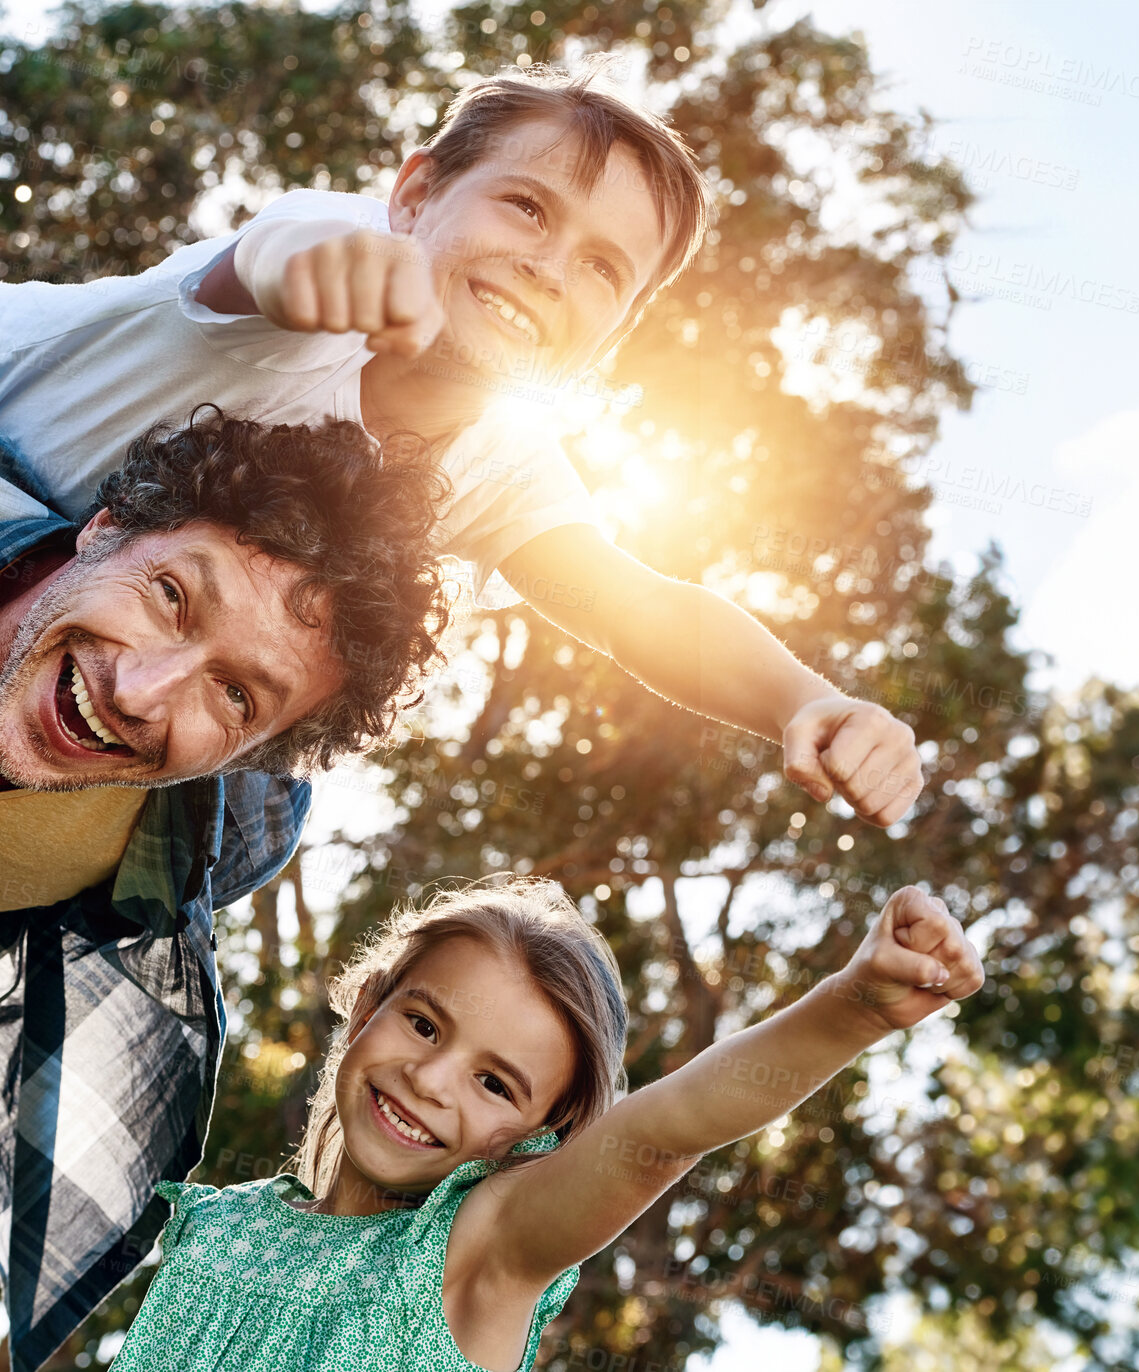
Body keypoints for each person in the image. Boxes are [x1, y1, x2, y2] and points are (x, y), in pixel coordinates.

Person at [0, 63, 925, 827]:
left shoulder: (504, 461)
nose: (549, 268)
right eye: (527, 208)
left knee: (259, 806)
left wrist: (805, 701)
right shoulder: (323, 266)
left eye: (603, 270)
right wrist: (317, 277)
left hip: (89, 593)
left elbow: (636, 607)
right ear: (413, 196)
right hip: (16, 461)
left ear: (612, 336)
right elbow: (267, 262)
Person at [0, 408, 453, 1372]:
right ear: (108, 523)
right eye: (170, 596)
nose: (140, 690)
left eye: (237, 695)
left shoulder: (218, 842)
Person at [104, 878, 984, 1371]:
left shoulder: (473, 1253)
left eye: (495, 1082)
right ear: (367, 1003)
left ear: (536, 1138)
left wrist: (852, 1009)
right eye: (422, 1023)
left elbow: (666, 1131)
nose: (431, 1079)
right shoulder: (222, 1223)